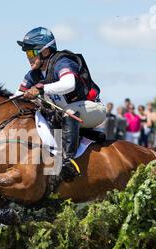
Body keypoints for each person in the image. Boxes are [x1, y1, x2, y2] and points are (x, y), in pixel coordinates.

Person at [15, 27, 105, 181]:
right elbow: (16, 96)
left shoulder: (62, 61)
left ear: (45, 51)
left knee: (68, 111)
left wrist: (40, 89)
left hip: (91, 109)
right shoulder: (33, 74)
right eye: (26, 53)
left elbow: (69, 83)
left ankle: (67, 162)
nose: (27, 57)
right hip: (65, 114)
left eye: (31, 52)